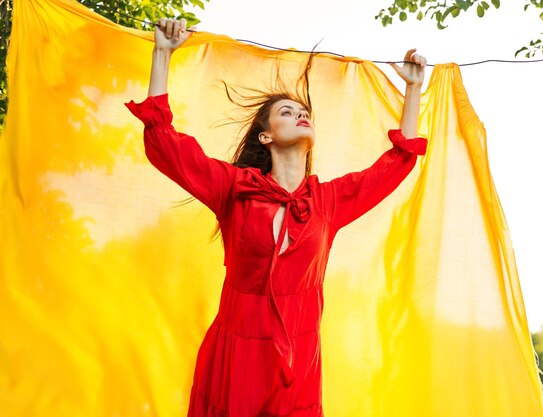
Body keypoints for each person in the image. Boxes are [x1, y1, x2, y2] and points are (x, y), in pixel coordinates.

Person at [124, 17, 428, 417]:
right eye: (287, 112)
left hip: (297, 365)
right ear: (265, 136)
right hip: (235, 357)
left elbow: (396, 164)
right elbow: (164, 145)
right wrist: (162, 53)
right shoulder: (234, 189)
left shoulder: (328, 201)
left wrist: (412, 89)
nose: (301, 115)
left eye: (304, 112)